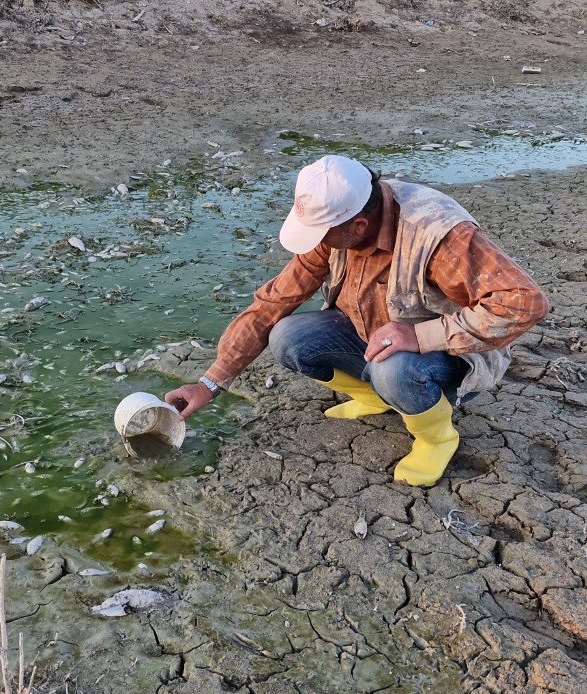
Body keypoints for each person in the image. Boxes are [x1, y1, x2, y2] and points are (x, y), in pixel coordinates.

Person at [164, 155, 550, 487]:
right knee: (287, 336)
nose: (319, 243)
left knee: (394, 370)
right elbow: (273, 302)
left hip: (448, 358)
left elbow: (525, 303)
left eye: (324, 235)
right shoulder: (339, 223)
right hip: (371, 336)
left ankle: (437, 438)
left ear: (358, 227)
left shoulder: (437, 234)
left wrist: (422, 334)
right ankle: (376, 398)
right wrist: (210, 383)